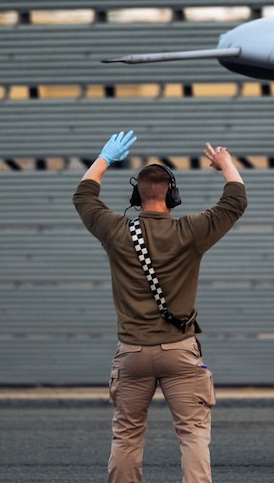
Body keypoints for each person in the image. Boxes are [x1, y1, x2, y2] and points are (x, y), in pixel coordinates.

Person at [73, 130, 247, 483]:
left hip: (132, 352)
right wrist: (226, 163)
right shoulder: (191, 231)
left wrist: (105, 157)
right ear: (174, 196)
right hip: (181, 352)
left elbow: (84, 196)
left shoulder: (115, 230)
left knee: (127, 435)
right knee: (193, 434)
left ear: (137, 195)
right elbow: (235, 200)